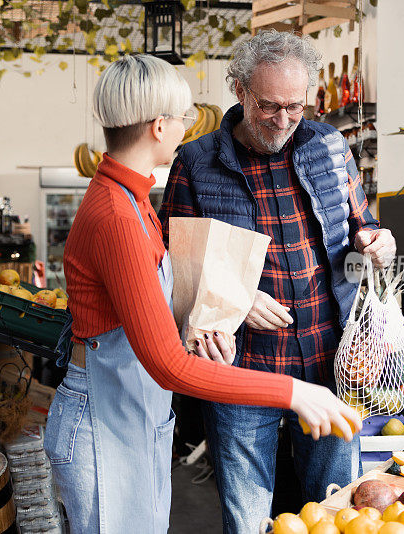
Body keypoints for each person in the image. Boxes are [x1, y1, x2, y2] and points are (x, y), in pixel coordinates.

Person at [42, 53, 362, 534]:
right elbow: (167, 366)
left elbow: (149, 312)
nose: (187, 129)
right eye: (183, 118)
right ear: (158, 126)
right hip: (103, 419)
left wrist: (201, 325)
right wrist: (292, 391)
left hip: (128, 411)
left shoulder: (134, 201)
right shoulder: (117, 216)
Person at [158, 30, 397, 531]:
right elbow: (172, 270)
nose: (284, 120)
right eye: (269, 106)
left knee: (335, 509)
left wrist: (377, 241)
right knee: (247, 519)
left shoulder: (330, 145)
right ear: (239, 89)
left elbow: (362, 224)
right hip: (243, 371)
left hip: (333, 363)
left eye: (295, 106)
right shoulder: (194, 163)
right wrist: (236, 299)